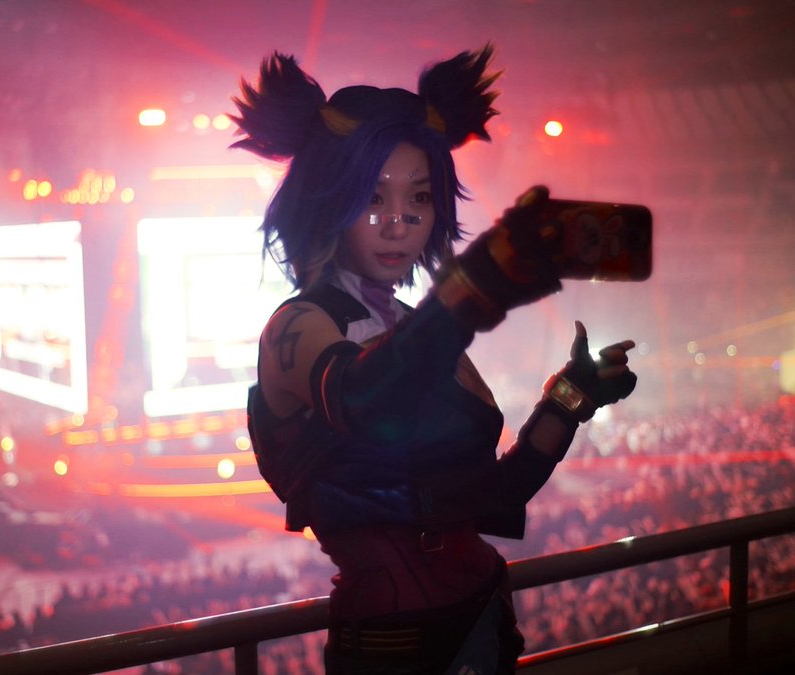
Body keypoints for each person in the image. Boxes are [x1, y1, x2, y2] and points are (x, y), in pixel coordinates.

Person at [232, 45, 638, 674]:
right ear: (325, 201)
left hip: (486, 621)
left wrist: (570, 397)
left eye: (418, 199)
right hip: (394, 647)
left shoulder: (415, 324)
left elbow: (494, 495)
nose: (398, 222)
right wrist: (475, 286)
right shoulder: (298, 325)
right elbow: (362, 401)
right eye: (372, 197)